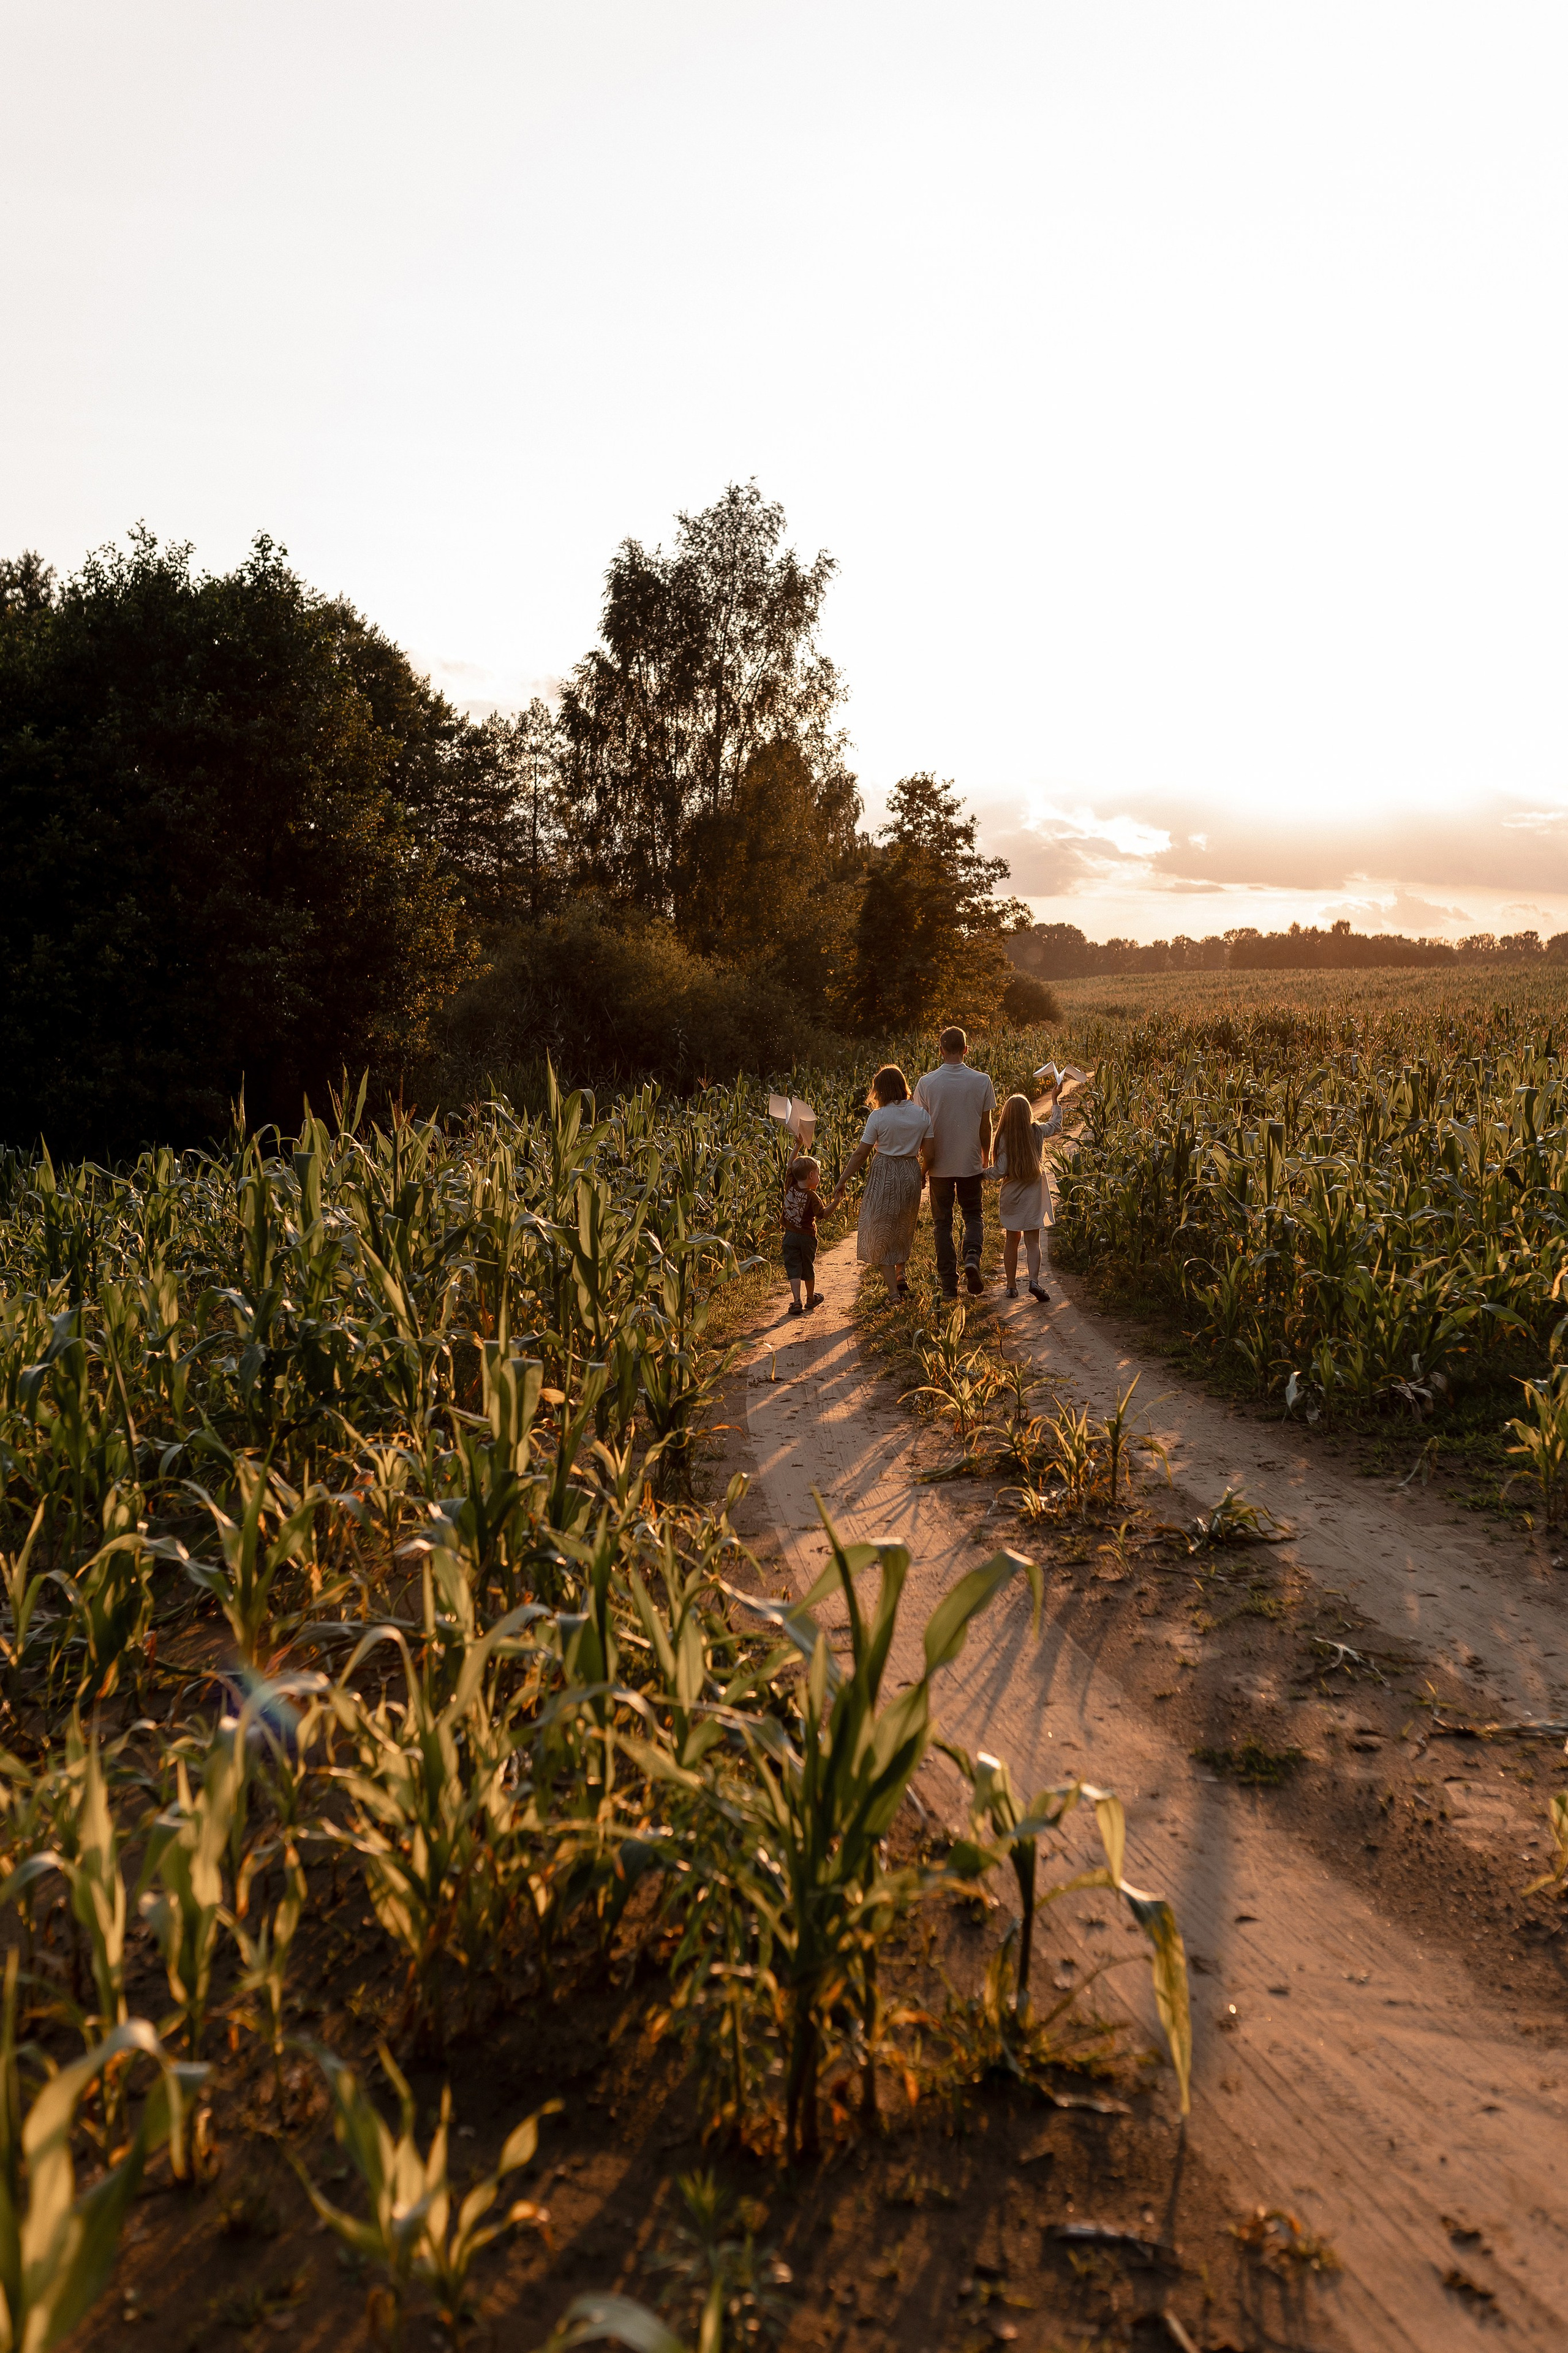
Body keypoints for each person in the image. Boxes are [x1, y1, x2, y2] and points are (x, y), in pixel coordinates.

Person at [829, 1065, 933, 1299]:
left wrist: (842, 1179)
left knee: (880, 1229)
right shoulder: (921, 1115)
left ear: (881, 1091)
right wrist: (922, 1173)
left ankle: (894, 1293)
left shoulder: (878, 1117)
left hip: (884, 1171)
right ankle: (901, 1272)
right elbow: (931, 1153)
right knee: (904, 1224)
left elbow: (861, 1154)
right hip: (909, 1169)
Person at [913, 1027, 997, 1298]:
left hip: (939, 1167)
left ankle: (949, 1285)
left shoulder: (926, 1084)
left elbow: (921, 1129)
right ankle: (972, 1256)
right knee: (973, 1215)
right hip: (970, 1162)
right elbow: (986, 1127)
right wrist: (986, 1158)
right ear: (966, 1050)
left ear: (940, 1050)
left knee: (942, 1224)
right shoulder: (982, 1081)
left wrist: (923, 1165)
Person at [987, 1089, 1060, 1302]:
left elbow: (999, 1171)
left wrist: (982, 1174)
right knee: (1033, 1242)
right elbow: (1055, 1125)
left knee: (1012, 1239)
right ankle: (1034, 1281)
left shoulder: (1004, 1138)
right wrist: (1054, 1100)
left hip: (1012, 1193)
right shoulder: (1037, 1131)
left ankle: (1010, 1286)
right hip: (1034, 1192)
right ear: (1029, 1113)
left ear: (1006, 1115)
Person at [781, 1154, 827, 1314]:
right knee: (808, 1267)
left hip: (789, 1236)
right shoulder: (812, 1196)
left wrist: (797, 1145)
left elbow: (790, 1165)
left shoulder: (791, 1185)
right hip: (807, 1238)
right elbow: (823, 1215)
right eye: (818, 1175)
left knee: (793, 1268)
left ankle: (796, 1302)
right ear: (811, 1175)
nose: (819, 1178)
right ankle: (810, 1299)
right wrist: (837, 1201)